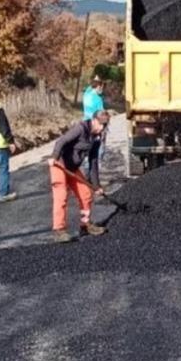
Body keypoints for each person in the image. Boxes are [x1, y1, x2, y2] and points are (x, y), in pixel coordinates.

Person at [48, 110, 110, 243]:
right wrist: (54, 157)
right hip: (59, 163)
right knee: (61, 195)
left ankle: (85, 225)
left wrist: (96, 185)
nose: (102, 128)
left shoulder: (96, 139)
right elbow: (61, 141)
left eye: (105, 125)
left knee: (86, 193)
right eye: (101, 124)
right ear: (94, 120)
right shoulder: (81, 129)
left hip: (72, 168)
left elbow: (93, 161)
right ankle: (59, 231)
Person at [81, 75, 107, 173]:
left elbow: (91, 86)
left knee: (88, 148)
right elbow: (102, 116)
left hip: (86, 124)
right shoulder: (97, 99)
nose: (102, 89)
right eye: (101, 87)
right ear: (98, 86)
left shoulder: (87, 93)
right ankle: (93, 172)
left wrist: (96, 79)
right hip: (96, 127)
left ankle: (87, 171)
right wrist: (104, 130)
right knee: (98, 150)